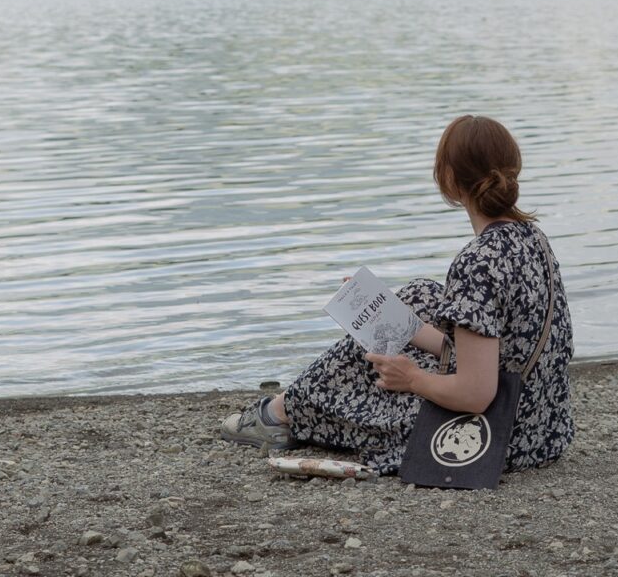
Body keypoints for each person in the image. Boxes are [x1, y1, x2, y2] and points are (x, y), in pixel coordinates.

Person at [220, 115, 574, 474]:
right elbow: (493, 348)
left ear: (449, 180)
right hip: (543, 426)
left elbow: (476, 394)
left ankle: (281, 412)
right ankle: (285, 408)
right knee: (417, 295)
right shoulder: (533, 239)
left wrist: (412, 379)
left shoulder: (478, 261)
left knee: (366, 359)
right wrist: (385, 311)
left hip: (497, 438)